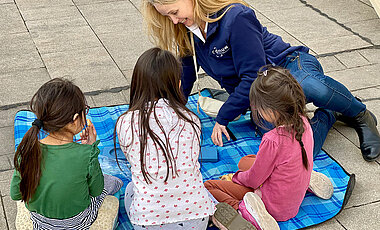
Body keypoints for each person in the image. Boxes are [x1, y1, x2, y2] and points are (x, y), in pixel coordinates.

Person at [142, 0, 380, 161]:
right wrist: (169, 110)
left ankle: (360, 114)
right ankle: (329, 113)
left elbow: (253, 74)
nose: (173, 21)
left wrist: (224, 116)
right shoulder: (185, 28)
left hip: (287, 67)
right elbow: (186, 76)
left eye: (174, 12)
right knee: (291, 151)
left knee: (310, 85)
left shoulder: (235, 16)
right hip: (261, 96)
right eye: (168, 16)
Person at [205, 66, 330, 230]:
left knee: (209, 187)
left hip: (272, 207)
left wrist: (236, 178)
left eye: (257, 106)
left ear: (271, 109)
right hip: (293, 198)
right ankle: (304, 178)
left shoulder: (273, 139)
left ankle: (246, 211)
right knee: (245, 161)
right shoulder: (304, 121)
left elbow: (254, 179)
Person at [116, 47, 215, 230]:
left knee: (130, 189)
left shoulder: (125, 122)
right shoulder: (192, 119)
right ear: (178, 84)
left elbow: (132, 158)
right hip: (197, 218)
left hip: (148, 221)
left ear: (137, 84)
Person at [10, 78, 122, 229]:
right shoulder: (87, 154)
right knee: (112, 182)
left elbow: (15, 195)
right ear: (75, 119)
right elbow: (96, 190)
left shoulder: (25, 151)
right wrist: (91, 148)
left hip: (40, 223)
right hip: (78, 223)